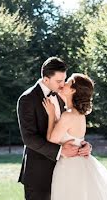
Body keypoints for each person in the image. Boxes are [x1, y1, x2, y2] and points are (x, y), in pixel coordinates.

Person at [41, 73, 107, 200]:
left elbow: (50, 140)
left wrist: (51, 115)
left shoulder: (69, 115)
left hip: (69, 168)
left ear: (72, 90)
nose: (63, 84)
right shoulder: (79, 114)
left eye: (67, 82)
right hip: (79, 164)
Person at [17, 57, 91, 200]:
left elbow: (69, 128)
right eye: (58, 81)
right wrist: (60, 151)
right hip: (39, 174)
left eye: (64, 80)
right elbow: (29, 138)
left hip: (66, 172)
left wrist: (82, 144)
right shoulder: (27, 99)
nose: (62, 85)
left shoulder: (62, 94)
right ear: (45, 79)